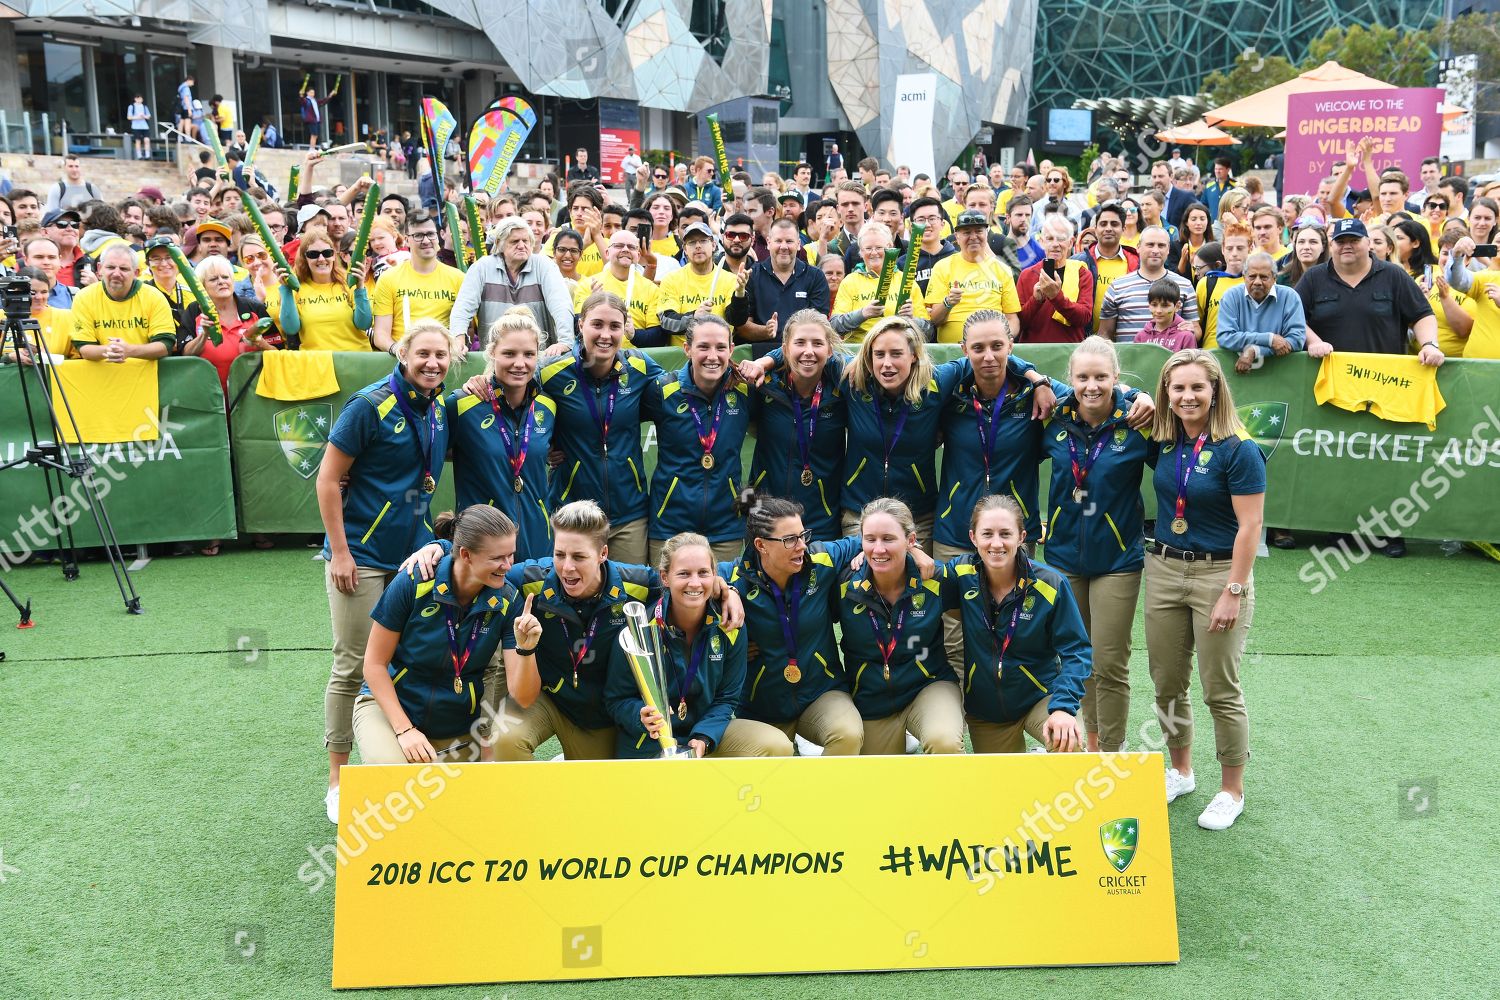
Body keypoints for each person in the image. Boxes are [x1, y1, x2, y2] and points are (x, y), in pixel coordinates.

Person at [316, 319, 456, 822]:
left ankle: (406, 748)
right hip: (362, 557)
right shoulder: (368, 405)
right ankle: (336, 779)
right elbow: (328, 479)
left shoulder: (441, 406)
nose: (432, 363)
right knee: (353, 664)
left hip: (414, 556)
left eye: (441, 355)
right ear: (402, 353)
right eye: (423, 354)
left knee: (407, 656)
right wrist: (340, 552)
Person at [1146, 349, 1264, 831]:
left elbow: (1251, 525)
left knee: (1220, 690)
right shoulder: (1165, 439)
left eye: (1197, 387)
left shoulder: (1239, 448)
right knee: (1168, 682)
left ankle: (1231, 789)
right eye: (1178, 388)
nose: (1187, 396)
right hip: (1164, 569)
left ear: (1216, 391)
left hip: (1220, 574)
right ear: (1166, 394)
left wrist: (1233, 590)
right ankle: (1180, 770)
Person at [354, 506, 538, 765]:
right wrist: (405, 731)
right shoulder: (414, 581)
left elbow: (524, 697)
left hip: (457, 723)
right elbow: (373, 665)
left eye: (511, 555)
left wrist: (526, 649)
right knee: (390, 771)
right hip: (389, 708)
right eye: (498, 558)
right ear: (466, 554)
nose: (508, 566)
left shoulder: (509, 601)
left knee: (464, 801)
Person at [1038, 338, 1153, 752]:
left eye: (1101, 377)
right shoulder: (1054, 417)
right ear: (1070, 379)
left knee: (1108, 662)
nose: (1092, 386)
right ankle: (1084, 743)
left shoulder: (1138, 422)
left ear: (1116, 379)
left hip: (1117, 561)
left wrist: (1146, 398)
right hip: (1063, 558)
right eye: (1083, 377)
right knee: (1073, 658)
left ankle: (1111, 748)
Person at [606, 533, 789, 758]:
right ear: (665, 577)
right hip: (649, 741)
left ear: (715, 575)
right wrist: (639, 716)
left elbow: (728, 697)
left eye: (703, 573)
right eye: (683, 574)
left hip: (706, 734)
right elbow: (616, 699)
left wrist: (704, 736)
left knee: (776, 744)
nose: (694, 583)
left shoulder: (730, 625)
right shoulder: (639, 630)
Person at [937, 495, 1090, 753]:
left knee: (1068, 742)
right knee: (1001, 791)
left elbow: (1077, 651)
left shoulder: (1050, 585)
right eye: (987, 534)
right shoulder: (960, 574)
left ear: (1022, 537)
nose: (996, 543)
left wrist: (1063, 706)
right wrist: (859, 556)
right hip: (987, 710)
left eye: (1006, 534)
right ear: (973, 538)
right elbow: (912, 575)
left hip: (1041, 698)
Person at [721, 493, 864, 754]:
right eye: (790, 539)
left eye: (803, 535)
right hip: (762, 705)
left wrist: (910, 550)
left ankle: (822, 795)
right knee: (768, 767)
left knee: (848, 734)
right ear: (761, 545)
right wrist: (727, 590)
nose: (801, 546)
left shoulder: (821, 559)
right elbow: (693, 577)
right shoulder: (734, 576)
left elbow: (872, 538)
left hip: (822, 692)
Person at [837, 498, 962, 755]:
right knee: (880, 784)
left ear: (911, 540)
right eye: (870, 539)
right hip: (871, 698)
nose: (879, 549)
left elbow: (985, 602)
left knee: (944, 742)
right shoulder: (844, 584)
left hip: (929, 685)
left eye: (889, 539)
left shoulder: (935, 578)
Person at [641, 314, 751, 564]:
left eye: (721, 347)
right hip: (670, 525)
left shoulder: (745, 390)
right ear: (687, 349)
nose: (712, 356)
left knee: (723, 597)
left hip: (727, 528)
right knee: (668, 598)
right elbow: (616, 420)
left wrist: (767, 360)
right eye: (703, 347)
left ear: (731, 349)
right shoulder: (662, 391)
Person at [449, 308, 557, 560]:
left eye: (529, 354)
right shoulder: (462, 405)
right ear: (492, 354)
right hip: (483, 549)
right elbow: (422, 450)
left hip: (538, 545)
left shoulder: (548, 406)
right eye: (509, 354)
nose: (520, 363)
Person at [742, 311, 847, 538]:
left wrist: (767, 359)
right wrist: (767, 360)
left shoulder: (842, 391)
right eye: (799, 343)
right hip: (766, 519)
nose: (808, 351)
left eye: (817, 343)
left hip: (822, 521)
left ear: (829, 350)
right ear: (785, 348)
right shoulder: (764, 387)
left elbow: (853, 362)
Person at [1303, 219, 1438, 360]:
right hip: (1328, 374)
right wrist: (1313, 341)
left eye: (1354, 240)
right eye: (1340, 242)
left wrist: (1429, 345)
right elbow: (1293, 317)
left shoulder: (1393, 275)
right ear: (1331, 246)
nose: (1347, 246)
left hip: (1382, 376)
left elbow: (1422, 315)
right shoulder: (1313, 277)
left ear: (1368, 243)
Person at [450, 217, 574, 349]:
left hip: (539, 356)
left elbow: (561, 304)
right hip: (494, 357)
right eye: (515, 241)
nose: (521, 246)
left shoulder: (544, 266)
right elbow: (463, 308)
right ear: (499, 243)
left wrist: (565, 342)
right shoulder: (481, 268)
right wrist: (458, 339)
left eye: (525, 241)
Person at [726, 218, 831, 357]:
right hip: (760, 355)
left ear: (798, 244)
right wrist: (766, 331)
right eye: (778, 241)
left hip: (802, 354)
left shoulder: (815, 276)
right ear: (769, 243)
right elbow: (742, 327)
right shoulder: (751, 274)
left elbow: (819, 324)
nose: (783, 246)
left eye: (789, 241)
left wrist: (793, 339)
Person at [265, 225, 372, 351]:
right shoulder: (296, 287)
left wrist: (360, 288)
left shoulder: (348, 281)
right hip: (318, 364)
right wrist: (286, 289)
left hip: (355, 358)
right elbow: (291, 328)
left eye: (327, 253)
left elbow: (364, 324)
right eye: (313, 254)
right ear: (305, 258)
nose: (321, 259)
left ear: (333, 255)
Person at [180, 254, 274, 393]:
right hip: (211, 396)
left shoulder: (254, 308)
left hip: (253, 395)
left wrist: (260, 342)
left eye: (225, 277)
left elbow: (279, 353)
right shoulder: (194, 310)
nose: (221, 282)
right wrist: (204, 335)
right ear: (202, 286)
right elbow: (185, 355)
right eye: (213, 279)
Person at [69, 245, 176, 363]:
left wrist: (129, 351)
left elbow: (165, 345)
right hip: (100, 378)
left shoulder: (154, 297)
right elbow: (84, 348)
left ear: (136, 273)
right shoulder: (84, 297)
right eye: (110, 267)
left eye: (124, 269)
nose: (116, 273)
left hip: (147, 378)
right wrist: (113, 350)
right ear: (99, 269)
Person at [926, 210, 1019, 343]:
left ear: (986, 234)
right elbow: (934, 320)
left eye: (978, 231)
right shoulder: (942, 267)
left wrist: (1003, 340)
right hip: (952, 352)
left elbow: (1012, 319)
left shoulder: (1002, 270)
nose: (973, 237)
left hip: (992, 348)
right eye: (967, 232)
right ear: (957, 237)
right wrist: (948, 302)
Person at [1098, 226, 1197, 343]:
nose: (1155, 250)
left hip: (1171, 359)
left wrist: (1192, 330)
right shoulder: (1117, 287)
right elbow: (1105, 334)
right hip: (1129, 360)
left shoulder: (1185, 285)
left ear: (1168, 249)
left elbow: (1196, 329)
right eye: (1150, 245)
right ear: (1138, 247)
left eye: (1161, 245)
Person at [573, 229, 663, 345]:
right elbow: (577, 328)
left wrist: (634, 334)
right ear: (607, 253)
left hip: (636, 359)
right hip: (599, 354)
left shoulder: (651, 289)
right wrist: (591, 308)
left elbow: (658, 337)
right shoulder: (588, 285)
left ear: (638, 255)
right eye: (619, 246)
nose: (625, 249)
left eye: (631, 247)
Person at [656, 221, 736, 345]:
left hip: (720, 351)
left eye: (703, 241)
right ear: (685, 249)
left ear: (714, 245)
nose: (698, 246)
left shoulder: (730, 279)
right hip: (682, 355)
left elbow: (736, 319)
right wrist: (694, 317)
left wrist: (741, 295)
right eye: (692, 242)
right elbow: (666, 321)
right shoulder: (671, 279)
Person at [1445, 235, 1500, 360]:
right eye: (1498, 241)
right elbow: (1457, 281)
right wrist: (1457, 255)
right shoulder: (1486, 277)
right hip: (1476, 365)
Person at [1133, 277, 1199, 352]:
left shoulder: (1186, 336)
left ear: (1177, 306)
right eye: (1154, 305)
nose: (1158, 311)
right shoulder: (1140, 337)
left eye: (1165, 305)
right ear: (1149, 305)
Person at [1278, 223, 1328, 287]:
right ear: (1295, 246)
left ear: (1323, 247)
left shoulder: (1334, 277)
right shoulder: (1282, 279)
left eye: (1313, 242)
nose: (1306, 247)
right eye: (1301, 242)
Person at [1175, 203, 1212, 278]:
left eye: (1202, 219)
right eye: (1193, 219)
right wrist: (1183, 261)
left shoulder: (1214, 248)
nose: (1198, 223)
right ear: (1186, 222)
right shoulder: (1175, 247)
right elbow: (1173, 277)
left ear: (1207, 221)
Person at [126, 94, 152, 160]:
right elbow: (129, 117)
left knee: (147, 140)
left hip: (144, 126)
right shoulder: (131, 106)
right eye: (138, 98)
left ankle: (147, 155)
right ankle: (139, 155)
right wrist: (137, 117)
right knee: (138, 141)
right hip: (136, 126)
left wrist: (143, 116)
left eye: (141, 98)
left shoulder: (144, 106)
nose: (140, 100)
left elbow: (148, 116)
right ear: (135, 99)